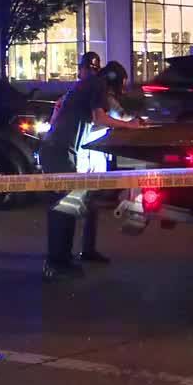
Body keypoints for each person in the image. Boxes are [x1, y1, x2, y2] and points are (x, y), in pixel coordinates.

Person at [41, 52, 141, 280]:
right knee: (63, 208)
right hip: (60, 152)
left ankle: (68, 257)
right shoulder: (97, 85)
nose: (115, 95)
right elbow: (100, 118)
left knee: (74, 204)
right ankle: (56, 263)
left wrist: (128, 121)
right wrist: (132, 127)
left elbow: (109, 113)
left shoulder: (88, 85)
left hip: (62, 150)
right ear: (112, 81)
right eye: (117, 89)